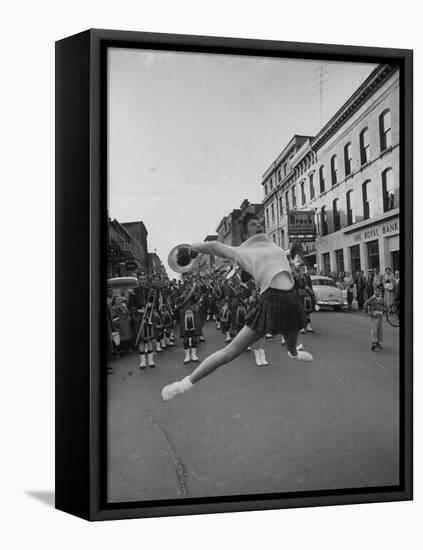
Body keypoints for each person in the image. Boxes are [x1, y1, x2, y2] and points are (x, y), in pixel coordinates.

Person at [161, 213, 312, 402]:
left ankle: (294, 353)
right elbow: (215, 246)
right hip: (271, 299)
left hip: (291, 299)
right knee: (229, 353)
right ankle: (183, 385)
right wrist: (193, 248)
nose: (259, 226)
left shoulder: (274, 246)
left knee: (292, 343)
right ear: (245, 232)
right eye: (253, 224)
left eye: (260, 223)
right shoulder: (242, 251)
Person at [364, 286, 385, 351]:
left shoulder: (381, 299)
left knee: (380, 330)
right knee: (374, 330)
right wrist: (367, 311)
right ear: (374, 291)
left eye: (378, 291)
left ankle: (378, 343)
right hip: (374, 316)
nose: (377, 292)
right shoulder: (372, 299)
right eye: (376, 291)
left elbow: (384, 305)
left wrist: (384, 310)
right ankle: (373, 342)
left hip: (380, 316)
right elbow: (366, 304)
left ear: (380, 292)